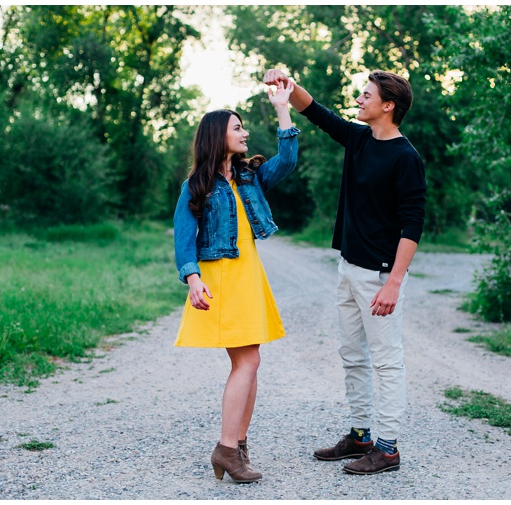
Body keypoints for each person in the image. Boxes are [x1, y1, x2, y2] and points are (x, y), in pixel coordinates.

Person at [262, 68, 426, 475]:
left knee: (386, 362)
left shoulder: (406, 157)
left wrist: (393, 282)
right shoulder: (358, 139)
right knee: (352, 356)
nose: (359, 99)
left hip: (379, 277)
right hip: (348, 268)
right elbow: (315, 111)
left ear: (388, 105)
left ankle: (387, 449)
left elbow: (413, 224)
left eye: (366, 95)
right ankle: (360, 436)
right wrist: (287, 85)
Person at [173, 78, 299, 484]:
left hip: (248, 275)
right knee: (246, 362)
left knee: (251, 362)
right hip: (220, 276)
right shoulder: (196, 186)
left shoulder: (250, 177)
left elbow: (289, 159)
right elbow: (182, 239)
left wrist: (283, 107)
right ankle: (227, 448)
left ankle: (237, 445)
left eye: (244, 127)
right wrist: (193, 279)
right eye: (237, 128)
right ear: (218, 137)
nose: (245, 133)